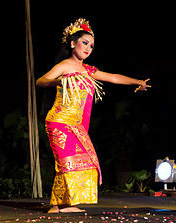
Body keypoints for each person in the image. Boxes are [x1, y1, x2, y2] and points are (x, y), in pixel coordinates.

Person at [36, 18, 151, 213]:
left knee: (85, 162)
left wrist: (137, 81)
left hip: (77, 126)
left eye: (92, 45)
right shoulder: (65, 66)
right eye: (85, 42)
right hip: (60, 122)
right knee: (66, 163)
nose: (89, 48)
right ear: (73, 43)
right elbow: (41, 81)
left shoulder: (88, 71)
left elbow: (113, 77)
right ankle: (58, 205)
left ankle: (60, 205)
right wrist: (59, 82)